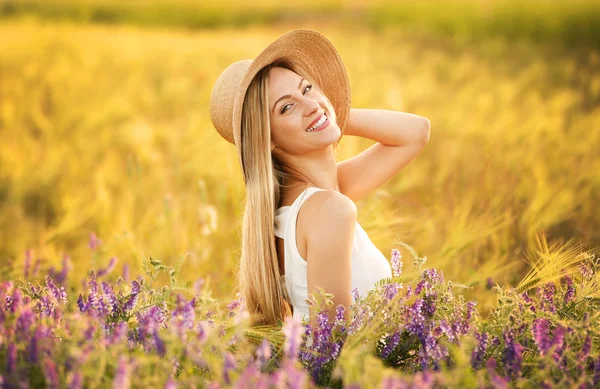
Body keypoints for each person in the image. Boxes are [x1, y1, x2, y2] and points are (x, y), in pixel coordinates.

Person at [210, 29, 430, 328]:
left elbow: (416, 133)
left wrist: (326, 113)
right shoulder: (328, 209)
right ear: (268, 140)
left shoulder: (315, 197)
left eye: (307, 88)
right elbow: (333, 345)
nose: (309, 104)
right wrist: (321, 116)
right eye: (286, 107)